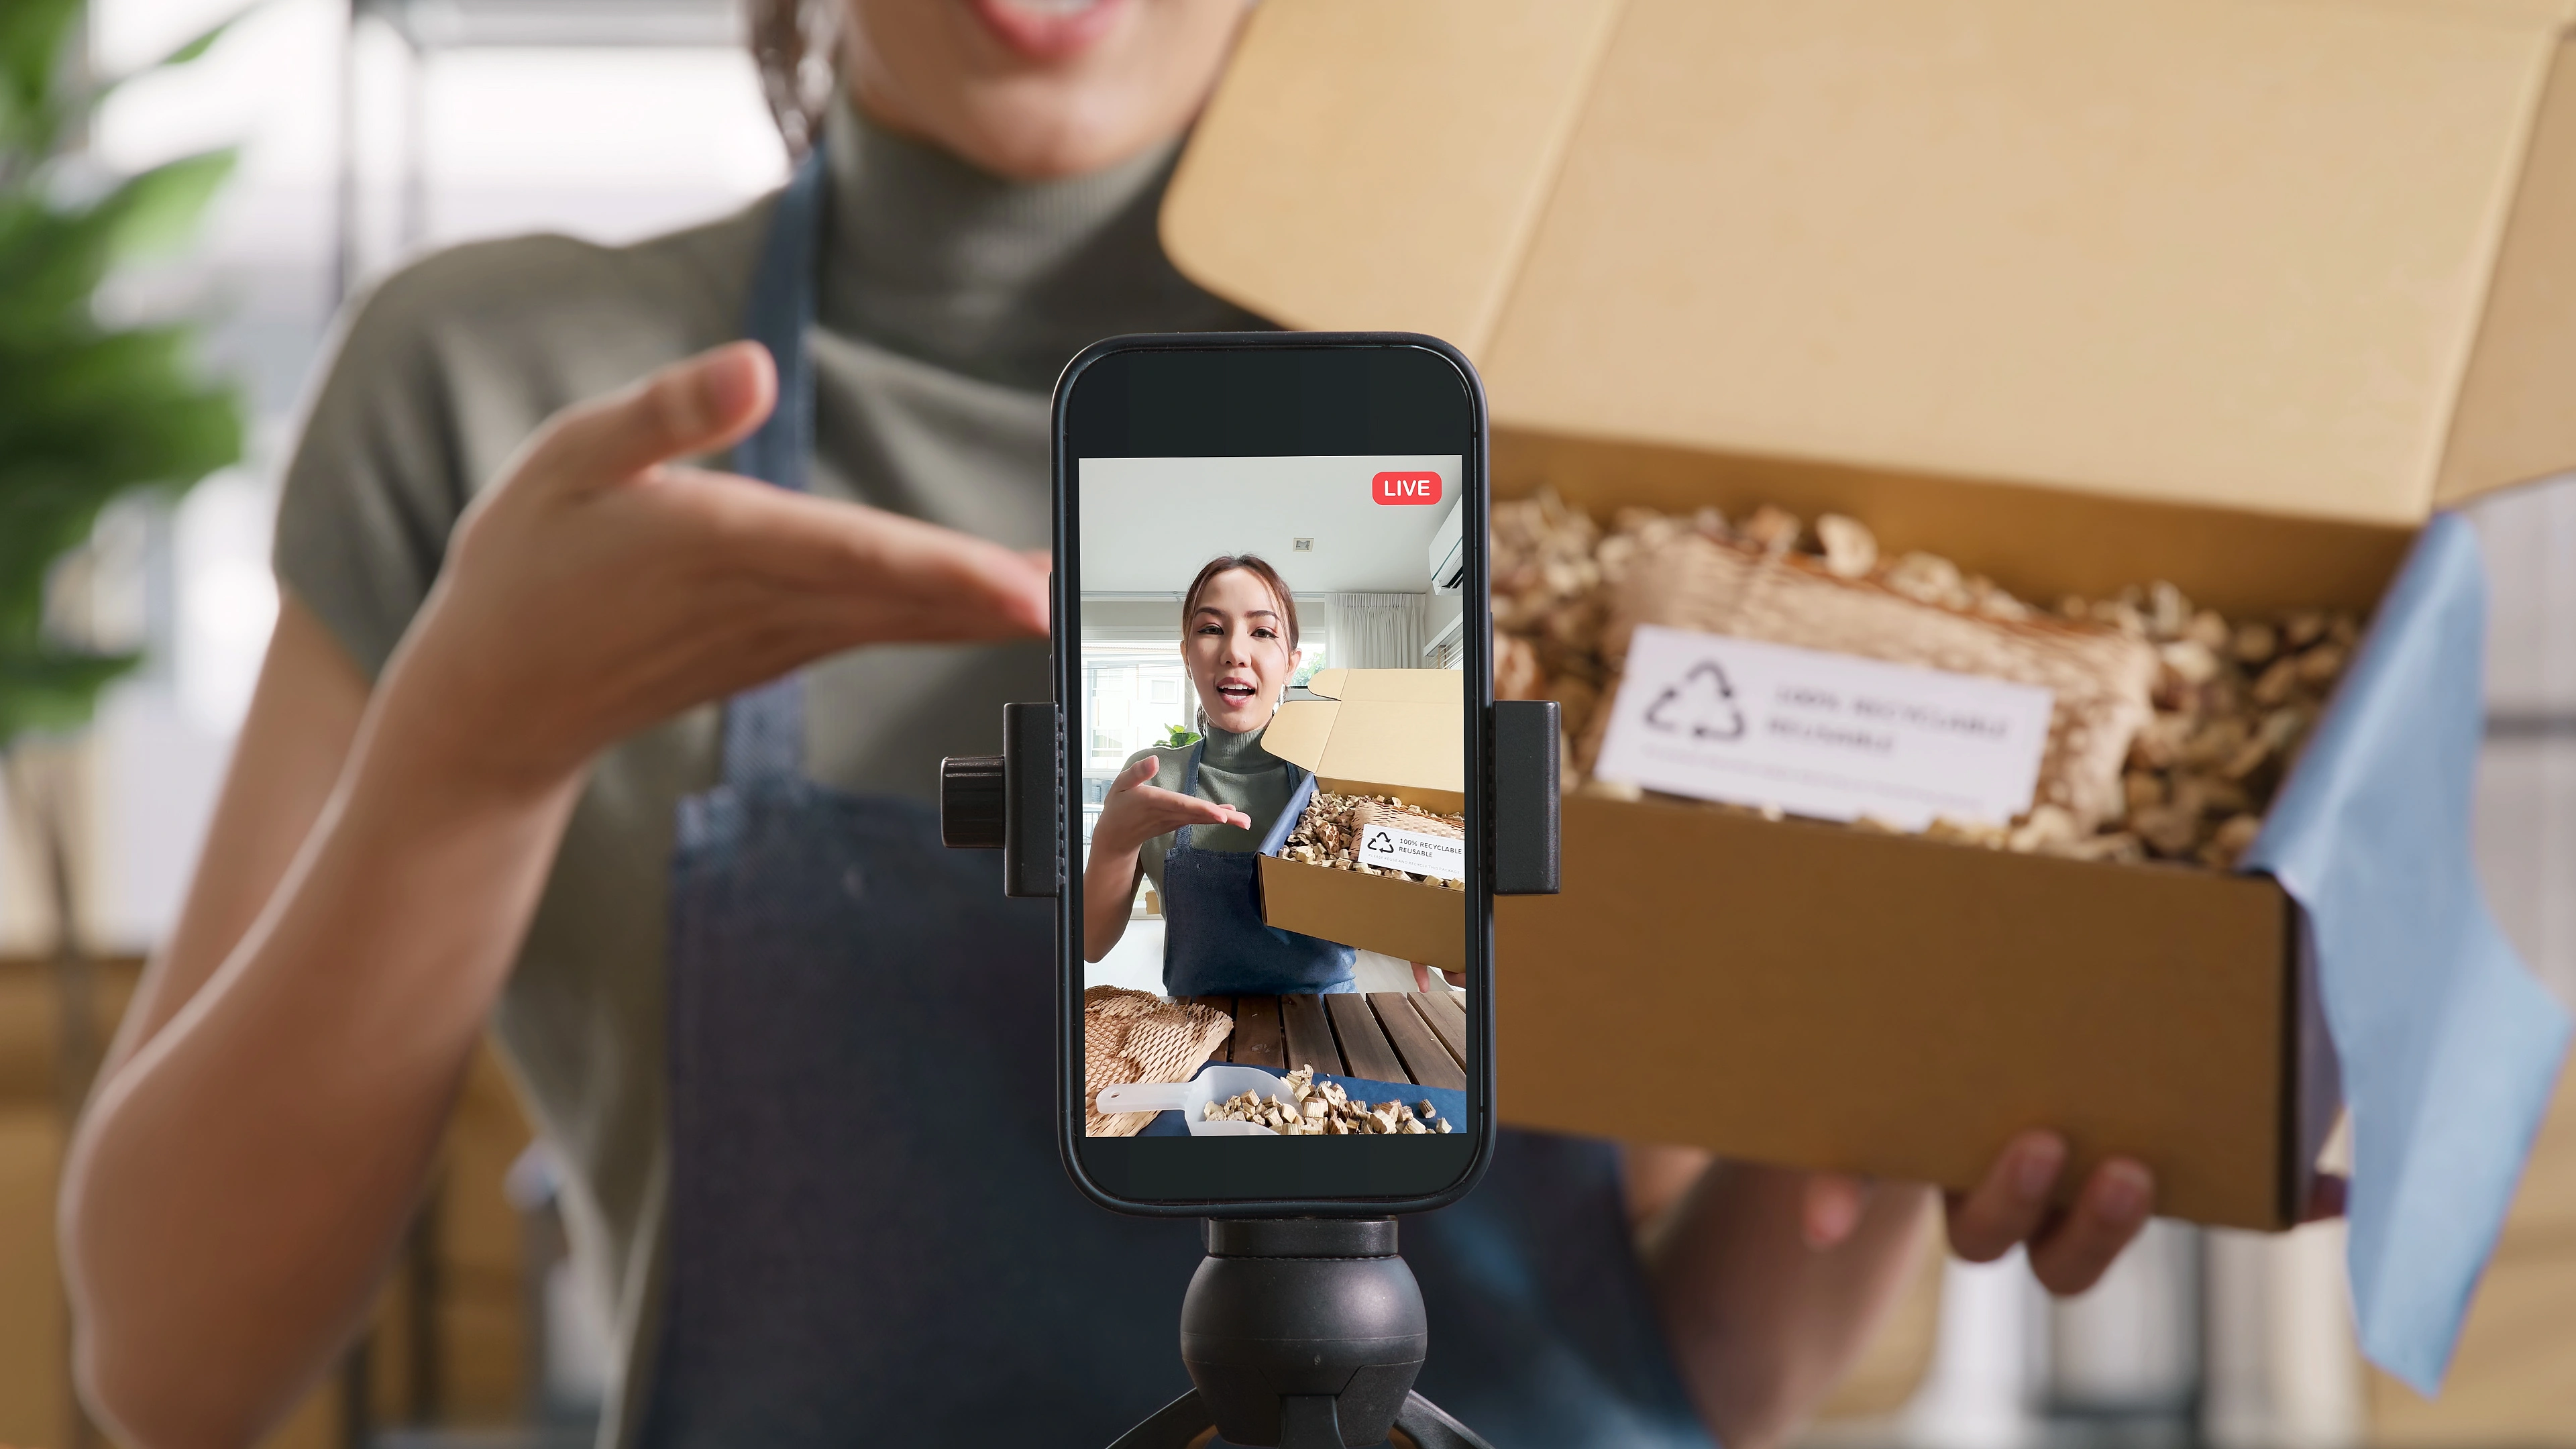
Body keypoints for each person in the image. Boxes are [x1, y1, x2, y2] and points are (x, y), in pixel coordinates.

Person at [56, 2, 2192, 1446]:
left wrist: (1945, 1089)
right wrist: (473, 751)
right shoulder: (519, 401)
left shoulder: (1593, 414)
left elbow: (1691, 1353)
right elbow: (175, 1362)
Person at [1082, 554, 1361, 996]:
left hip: (1333, 1035)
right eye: (1212, 629)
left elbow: (1406, 905)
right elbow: (1091, 944)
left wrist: (1449, 948)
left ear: (1291, 664)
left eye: (1263, 632)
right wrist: (1113, 842)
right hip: (1193, 1044)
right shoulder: (1151, 779)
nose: (1235, 652)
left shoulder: (1337, 780)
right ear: (1186, 655)